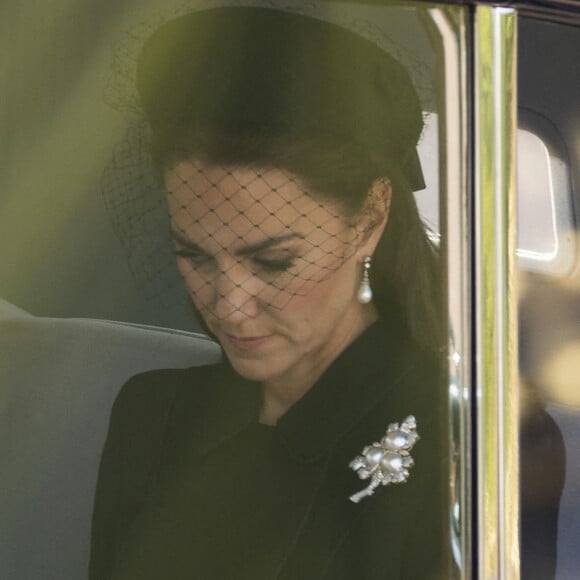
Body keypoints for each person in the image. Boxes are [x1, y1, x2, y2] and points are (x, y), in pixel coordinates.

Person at [89, 7, 448, 579]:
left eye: (274, 261)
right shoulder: (150, 415)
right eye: (194, 254)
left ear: (369, 219)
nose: (228, 306)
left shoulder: (467, 442)